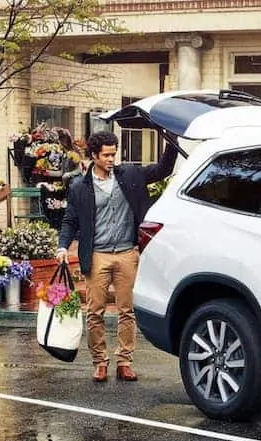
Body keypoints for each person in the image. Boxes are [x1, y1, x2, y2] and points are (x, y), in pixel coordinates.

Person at [57, 131, 178, 382]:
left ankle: (125, 361)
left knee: (127, 310)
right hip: (97, 254)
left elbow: (163, 170)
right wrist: (62, 247)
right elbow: (70, 220)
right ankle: (100, 362)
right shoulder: (80, 186)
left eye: (114, 154)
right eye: (107, 155)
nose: (112, 159)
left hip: (126, 253)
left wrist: (172, 141)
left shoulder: (131, 175)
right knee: (95, 311)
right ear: (94, 156)